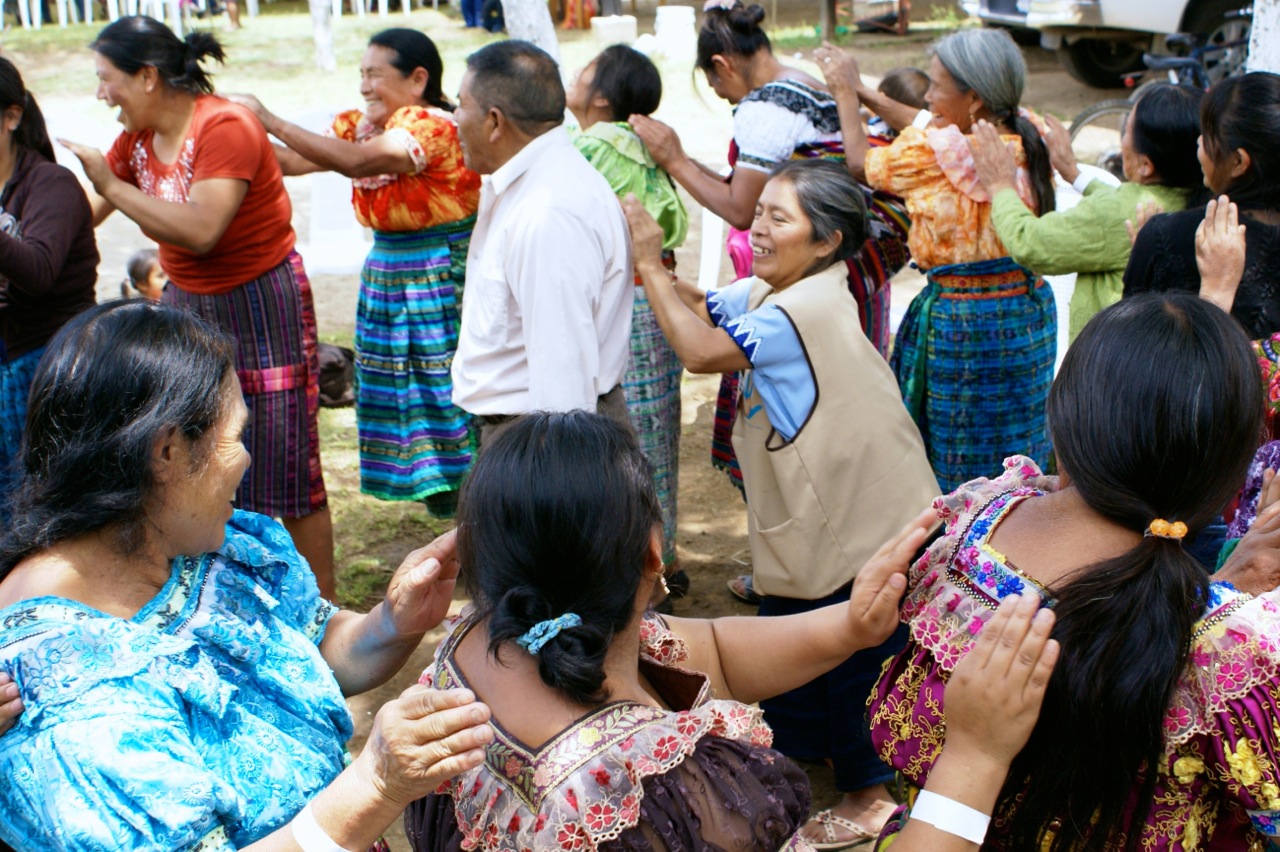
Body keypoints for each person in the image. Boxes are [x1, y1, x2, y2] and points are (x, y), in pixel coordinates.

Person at [400, 409, 1058, 851]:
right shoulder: (658, 786)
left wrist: (851, 626)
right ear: (655, 552)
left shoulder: (478, 642)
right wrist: (975, 755)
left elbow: (713, 648)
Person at [0, 300, 496, 850]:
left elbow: (308, 652)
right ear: (167, 452)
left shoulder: (198, 541)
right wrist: (375, 784)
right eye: (236, 435)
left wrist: (391, 623)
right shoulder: (77, 716)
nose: (246, 459)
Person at [868, 293, 1280, 849]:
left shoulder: (975, 530)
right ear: (1232, 469)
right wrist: (1232, 601)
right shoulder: (1236, 652)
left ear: (1062, 419)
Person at [625, 158, 941, 847]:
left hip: (853, 519)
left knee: (852, 644)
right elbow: (711, 305)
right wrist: (658, 270)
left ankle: (868, 797)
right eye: (759, 210)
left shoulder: (797, 310)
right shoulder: (792, 289)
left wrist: (648, 266)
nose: (758, 229)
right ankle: (804, 755)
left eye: (778, 217)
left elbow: (702, 351)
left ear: (825, 240)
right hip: (848, 508)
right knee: (790, 629)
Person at [59, 17, 336, 598]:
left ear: (149, 76)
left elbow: (203, 229)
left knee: (286, 463)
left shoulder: (224, 125)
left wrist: (113, 187)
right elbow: (81, 213)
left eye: (107, 79)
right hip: (187, 306)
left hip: (262, 304)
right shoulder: (136, 141)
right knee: (197, 458)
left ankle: (326, 613)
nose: (100, 93)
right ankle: (227, 599)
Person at [632, 2, 910, 511]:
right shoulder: (803, 82)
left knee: (794, 412)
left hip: (815, 270)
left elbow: (737, 209)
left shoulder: (764, 108)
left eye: (716, 87)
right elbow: (708, 297)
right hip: (849, 272)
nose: (722, 96)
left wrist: (673, 160)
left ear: (723, 65)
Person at [228, 29, 481, 519]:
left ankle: (484, 499)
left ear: (418, 78)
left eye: (375, 74)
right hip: (388, 271)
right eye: (361, 74)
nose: (364, 85)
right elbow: (292, 160)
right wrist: (228, 128)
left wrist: (268, 116)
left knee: (448, 389)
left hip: (438, 273)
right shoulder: (362, 127)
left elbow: (359, 162)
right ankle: (451, 503)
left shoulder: (431, 126)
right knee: (407, 392)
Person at [818, 29, 1058, 494]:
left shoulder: (933, 153)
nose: (927, 96)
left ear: (973, 98)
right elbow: (931, 121)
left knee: (957, 462)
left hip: (964, 329)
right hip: (1027, 319)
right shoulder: (1028, 133)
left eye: (936, 85)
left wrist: (846, 93)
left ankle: (958, 553)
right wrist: (865, 88)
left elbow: (858, 161)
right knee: (1017, 456)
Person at [449, 40, 632, 447]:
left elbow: (563, 383)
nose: (453, 119)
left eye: (460, 105)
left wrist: (550, 484)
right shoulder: (528, 186)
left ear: (495, 122)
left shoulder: (549, 211)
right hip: (527, 433)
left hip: (545, 443)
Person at [567, 45, 689, 593]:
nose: (573, 75)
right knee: (657, 429)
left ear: (601, 96)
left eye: (584, 69)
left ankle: (644, 562)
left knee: (629, 436)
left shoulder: (590, 147)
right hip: (660, 296)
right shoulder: (641, 146)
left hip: (628, 300)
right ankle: (667, 545)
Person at [971, 82, 1202, 342]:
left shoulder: (1123, 211)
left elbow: (1029, 242)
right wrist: (1074, 174)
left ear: (1146, 165)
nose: (1122, 140)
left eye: (1126, 130)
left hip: (1109, 363)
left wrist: (1000, 185)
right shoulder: (1195, 203)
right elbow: (1117, 202)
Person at [0, 57, 98, 503]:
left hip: (48, 368)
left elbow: (38, 271)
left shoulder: (50, 184)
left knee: (40, 513)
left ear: (12, 116)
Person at [1125, 72, 1280, 342]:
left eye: (1207, 135)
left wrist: (1150, 252)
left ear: (1238, 162)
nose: (1198, 143)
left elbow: (1130, 345)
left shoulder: (1169, 236)